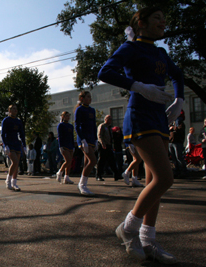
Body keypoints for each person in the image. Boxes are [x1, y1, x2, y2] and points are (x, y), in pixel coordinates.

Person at [98, 7, 184, 264]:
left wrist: (179, 100)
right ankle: (128, 228)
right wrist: (137, 86)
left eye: (163, 17)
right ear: (142, 24)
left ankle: (148, 240)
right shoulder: (131, 48)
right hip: (139, 117)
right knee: (165, 177)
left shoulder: (160, 52)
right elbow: (105, 71)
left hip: (159, 117)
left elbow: (177, 75)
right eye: (157, 17)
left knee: (153, 183)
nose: (163, 21)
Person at [75, 91, 97, 196]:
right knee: (93, 161)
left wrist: (96, 139)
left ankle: (84, 185)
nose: (90, 98)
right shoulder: (80, 109)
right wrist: (82, 139)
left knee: (86, 163)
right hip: (84, 139)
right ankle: (82, 184)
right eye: (88, 97)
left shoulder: (92, 110)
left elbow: (94, 126)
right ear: (82, 98)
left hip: (91, 139)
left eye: (90, 97)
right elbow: (77, 126)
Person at [1, 104, 26, 191]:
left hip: (16, 144)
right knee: (14, 162)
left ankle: (14, 183)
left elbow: (22, 134)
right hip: (9, 143)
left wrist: (24, 145)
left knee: (17, 164)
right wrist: (5, 145)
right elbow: (3, 134)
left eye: (16, 108)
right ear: (9, 110)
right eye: (13, 109)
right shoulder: (6, 120)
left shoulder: (18, 121)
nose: (15, 110)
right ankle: (8, 181)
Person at [96, 115, 121, 181]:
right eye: (109, 119)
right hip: (103, 145)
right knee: (101, 160)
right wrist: (102, 143)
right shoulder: (102, 126)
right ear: (105, 119)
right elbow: (99, 135)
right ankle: (98, 175)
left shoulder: (109, 127)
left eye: (111, 119)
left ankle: (116, 174)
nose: (110, 120)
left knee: (112, 160)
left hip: (109, 145)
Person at [55, 112, 75, 184]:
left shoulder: (70, 126)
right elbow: (60, 136)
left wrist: (73, 146)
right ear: (63, 116)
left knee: (70, 162)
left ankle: (66, 177)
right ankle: (60, 172)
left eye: (68, 116)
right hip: (64, 145)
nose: (68, 117)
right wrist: (61, 146)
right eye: (66, 116)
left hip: (70, 145)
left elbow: (72, 136)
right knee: (68, 160)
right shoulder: (60, 125)